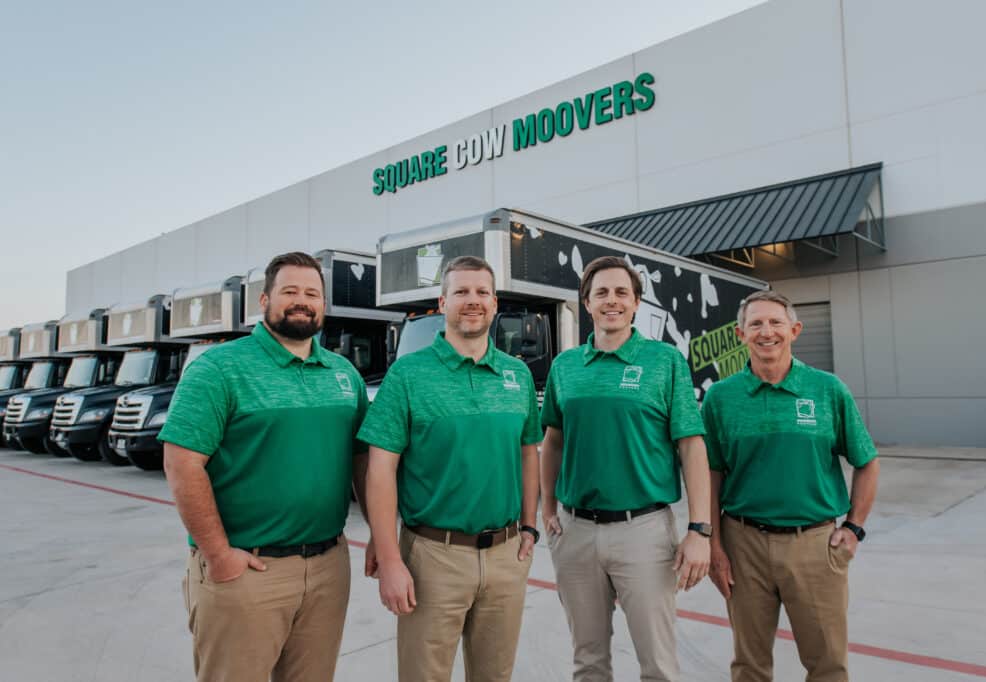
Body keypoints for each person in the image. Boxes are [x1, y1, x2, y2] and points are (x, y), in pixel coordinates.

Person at [160, 251, 369, 682]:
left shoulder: (344, 374)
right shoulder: (218, 368)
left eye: (312, 293)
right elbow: (182, 465)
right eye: (290, 291)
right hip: (248, 571)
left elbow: (362, 460)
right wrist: (219, 555)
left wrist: (380, 537)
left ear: (323, 304)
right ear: (264, 300)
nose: (302, 301)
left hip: (328, 567)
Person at [360, 255, 542, 682]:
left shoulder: (517, 375)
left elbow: (528, 453)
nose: (472, 300)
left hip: (505, 555)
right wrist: (390, 558)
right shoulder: (408, 375)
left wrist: (530, 527)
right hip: (432, 557)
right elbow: (380, 471)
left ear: (494, 304)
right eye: (461, 291)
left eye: (481, 292)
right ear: (443, 303)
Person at [539, 255, 713, 682]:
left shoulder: (665, 361)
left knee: (658, 665)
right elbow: (553, 441)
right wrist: (547, 508)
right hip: (576, 533)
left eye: (621, 292)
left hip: (644, 532)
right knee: (588, 661)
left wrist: (700, 529)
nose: (611, 301)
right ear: (587, 303)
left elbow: (691, 446)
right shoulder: (565, 366)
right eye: (601, 293)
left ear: (636, 303)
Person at [702, 290, 880, 682]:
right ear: (740, 334)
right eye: (756, 324)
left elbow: (867, 461)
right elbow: (710, 475)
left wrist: (854, 527)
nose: (766, 332)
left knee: (828, 665)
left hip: (814, 544)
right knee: (749, 666)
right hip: (743, 544)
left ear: (794, 330)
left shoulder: (827, 389)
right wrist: (714, 545)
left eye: (775, 322)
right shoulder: (720, 398)